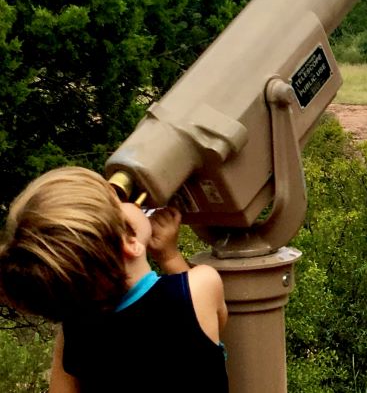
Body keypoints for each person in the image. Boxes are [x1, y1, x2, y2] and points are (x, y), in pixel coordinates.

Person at [0, 167, 228, 392]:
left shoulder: (75, 333)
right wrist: (170, 256)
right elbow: (215, 320)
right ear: (130, 241)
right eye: (117, 203)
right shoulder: (202, 284)